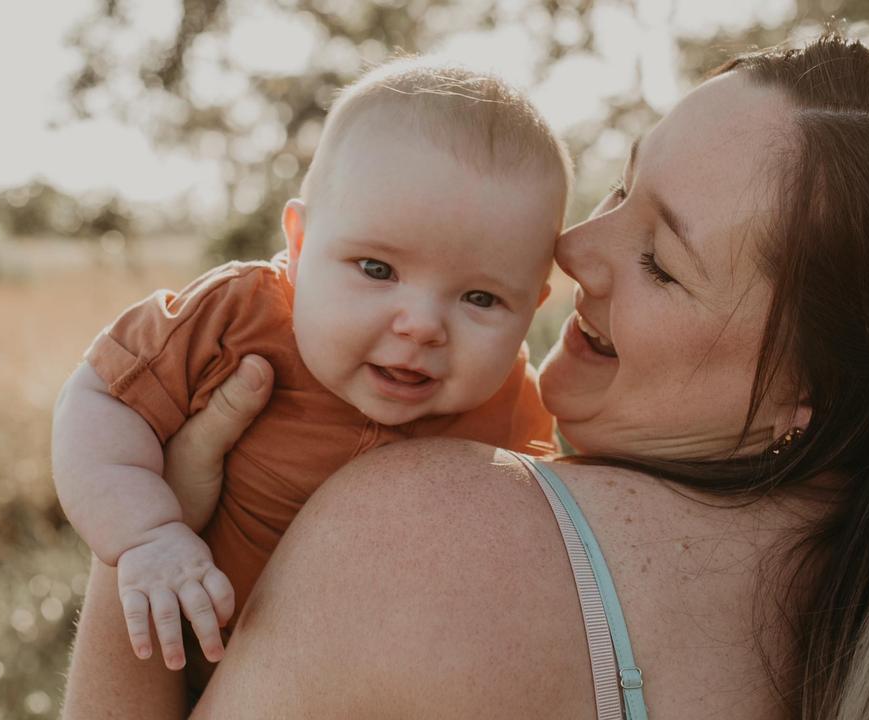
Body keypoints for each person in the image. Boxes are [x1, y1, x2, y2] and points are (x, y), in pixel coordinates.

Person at [62, 34, 869, 720]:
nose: (572, 250)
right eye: (622, 188)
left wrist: (142, 549)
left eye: (659, 261)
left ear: (806, 395)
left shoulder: (428, 530)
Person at [51, 57, 569, 682]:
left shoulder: (514, 405)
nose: (423, 325)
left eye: (481, 299)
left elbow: (540, 542)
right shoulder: (237, 317)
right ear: (297, 245)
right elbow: (101, 397)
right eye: (377, 269)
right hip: (188, 650)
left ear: (532, 306)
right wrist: (146, 531)